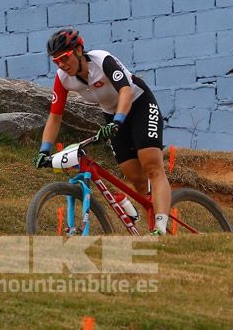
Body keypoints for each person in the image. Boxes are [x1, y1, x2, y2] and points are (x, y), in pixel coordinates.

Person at [34, 28, 172, 235]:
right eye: (56, 61)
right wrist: (44, 150)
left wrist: (117, 121)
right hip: (113, 115)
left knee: (151, 165)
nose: (61, 64)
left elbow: (125, 90)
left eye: (64, 58)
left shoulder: (102, 60)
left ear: (78, 50)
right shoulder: (63, 78)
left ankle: (161, 226)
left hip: (139, 104)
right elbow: (55, 116)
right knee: (136, 178)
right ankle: (158, 231)